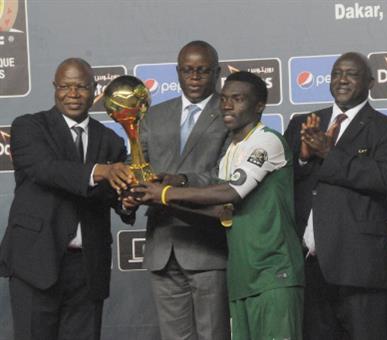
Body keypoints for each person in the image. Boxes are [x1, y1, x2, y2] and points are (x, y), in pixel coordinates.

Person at [135, 71, 305, 340]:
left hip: (274, 273)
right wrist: (158, 197)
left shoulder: (266, 141)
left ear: (259, 105)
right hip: (243, 276)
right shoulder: (232, 152)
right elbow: (219, 211)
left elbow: (231, 193)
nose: (227, 105)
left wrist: (167, 194)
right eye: (224, 98)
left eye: (237, 99)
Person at [0, 58, 136, 340]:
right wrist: (101, 171)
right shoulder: (28, 127)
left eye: (81, 87)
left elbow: (112, 195)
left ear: (94, 89)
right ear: (54, 88)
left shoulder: (111, 140)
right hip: (35, 262)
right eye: (65, 86)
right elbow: (46, 169)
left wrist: (127, 200)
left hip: (87, 269)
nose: (72, 94)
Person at [283, 52, 387, 340]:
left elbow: (385, 179)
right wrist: (302, 159)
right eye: (337, 73)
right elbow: (280, 185)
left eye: (351, 74)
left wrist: (329, 154)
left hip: (361, 269)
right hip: (308, 266)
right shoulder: (302, 123)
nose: (341, 79)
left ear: (371, 82)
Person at [138, 40, 230, 340]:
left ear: (217, 73)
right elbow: (139, 166)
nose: (194, 77)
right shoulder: (153, 115)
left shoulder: (231, 113)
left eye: (202, 70)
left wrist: (180, 181)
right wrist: (130, 189)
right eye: (188, 70)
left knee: (213, 335)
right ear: (177, 72)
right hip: (162, 246)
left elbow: (227, 177)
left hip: (209, 246)